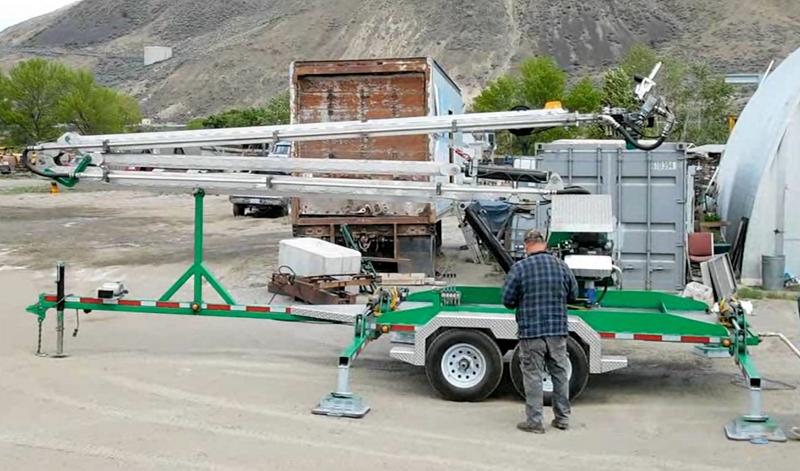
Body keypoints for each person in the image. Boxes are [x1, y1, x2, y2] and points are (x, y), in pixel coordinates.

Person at [502, 229, 578, 434]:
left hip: (531, 331)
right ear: (544, 244)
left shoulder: (520, 268)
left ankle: (535, 422)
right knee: (560, 374)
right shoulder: (561, 266)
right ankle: (562, 419)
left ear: (527, 245)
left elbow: (507, 301)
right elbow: (573, 295)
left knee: (533, 376)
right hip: (557, 330)